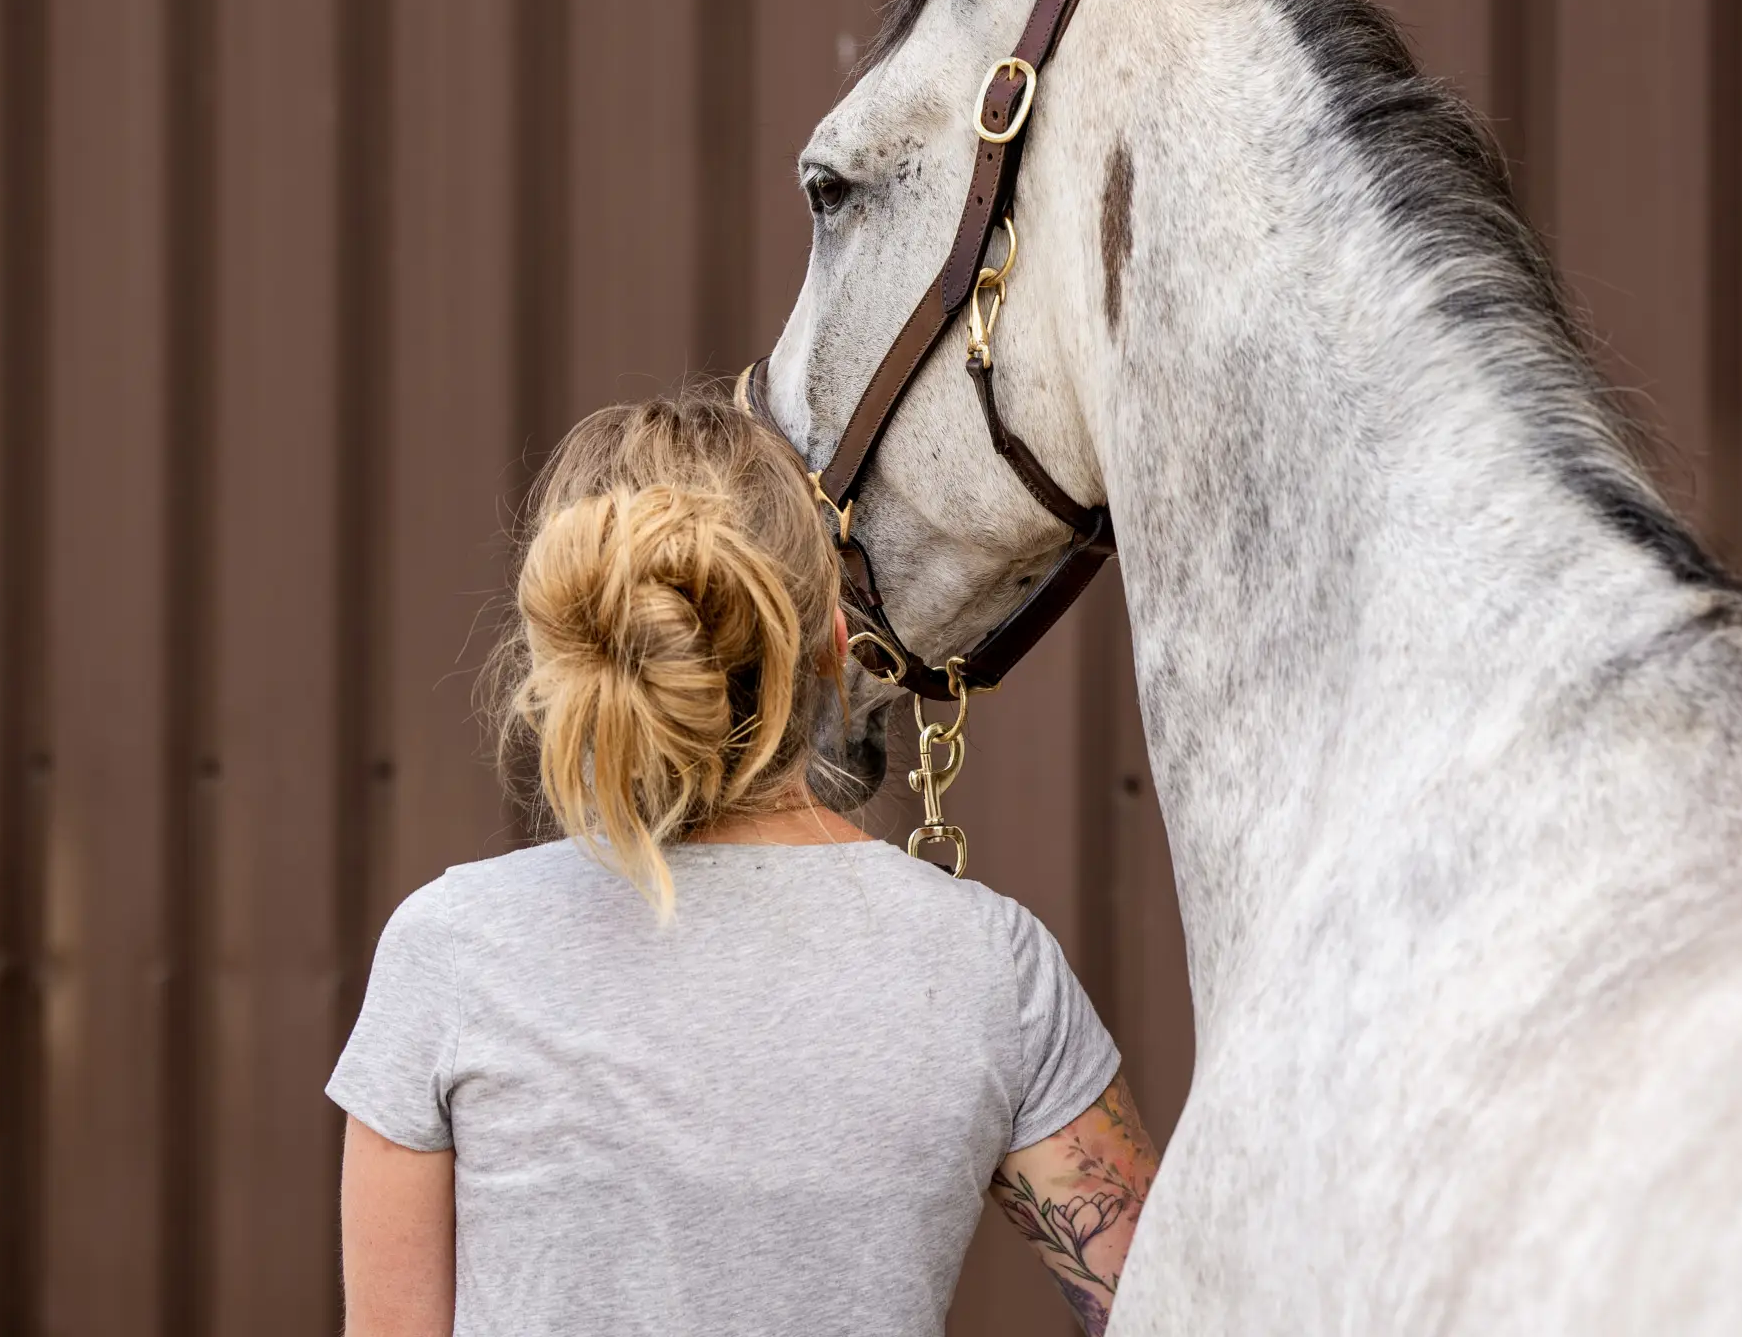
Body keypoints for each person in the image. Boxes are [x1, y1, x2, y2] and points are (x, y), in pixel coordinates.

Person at [328, 392, 1159, 1336]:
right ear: (836, 644)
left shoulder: (451, 951)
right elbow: (1169, 1310)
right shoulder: (992, 965)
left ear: (572, 652)